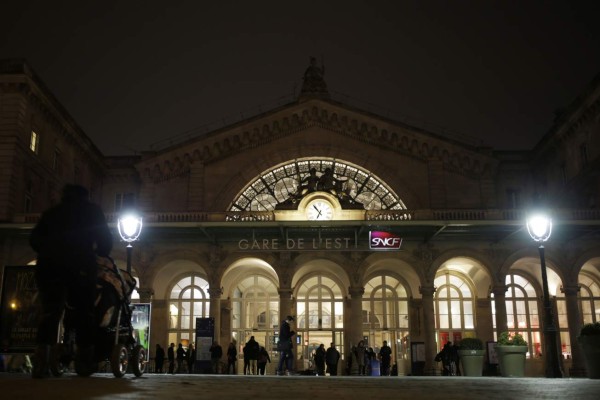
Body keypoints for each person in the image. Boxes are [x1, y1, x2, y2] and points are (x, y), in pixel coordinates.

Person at [29, 184, 113, 378]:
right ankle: (84, 361)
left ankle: (42, 360)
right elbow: (105, 243)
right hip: (80, 266)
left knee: (50, 311)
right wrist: (97, 252)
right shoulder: (92, 211)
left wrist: (48, 251)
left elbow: (34, 239)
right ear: (86, 196)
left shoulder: (51, 213)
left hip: (49, 267)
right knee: (84, 312)